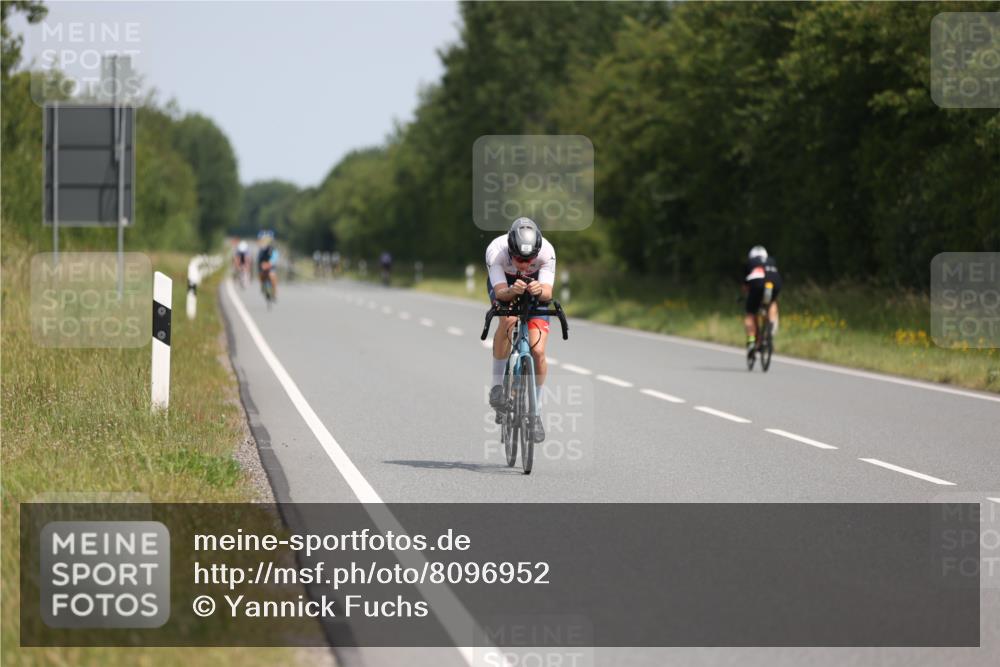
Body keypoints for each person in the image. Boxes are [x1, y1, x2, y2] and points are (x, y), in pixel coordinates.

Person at [485, 217, 556, 443]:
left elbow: (547, 293)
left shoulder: (546, 250)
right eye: (518, 259)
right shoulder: (496, 251)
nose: (524, 264)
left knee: (538, 353)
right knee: (507, 320)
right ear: (510, 249)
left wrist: (538, 289)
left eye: (529, 259)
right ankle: (497, 387)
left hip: (535, 287)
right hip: (505, 285)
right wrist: (512, 291)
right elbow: (499, 293)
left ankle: (535, 414)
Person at [742, 245, 781, 351]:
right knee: (772, 302)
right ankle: (771, 324)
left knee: (750, 314)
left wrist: (747, 297)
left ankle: (751, 341)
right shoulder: (771, 260)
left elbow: (746, 286)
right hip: (775, 282)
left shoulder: (750, 262)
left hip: (757, 284)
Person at [257, 230, 279, 301]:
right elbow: (260, 260)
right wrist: (262, 265)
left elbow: (274, 258)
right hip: (263, 264)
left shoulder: (273, 249)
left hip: (270, 264)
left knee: (272, 276)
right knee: (261, 275)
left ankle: (275, 292)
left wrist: (269, 264)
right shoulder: (261, 250)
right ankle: (263, 286)